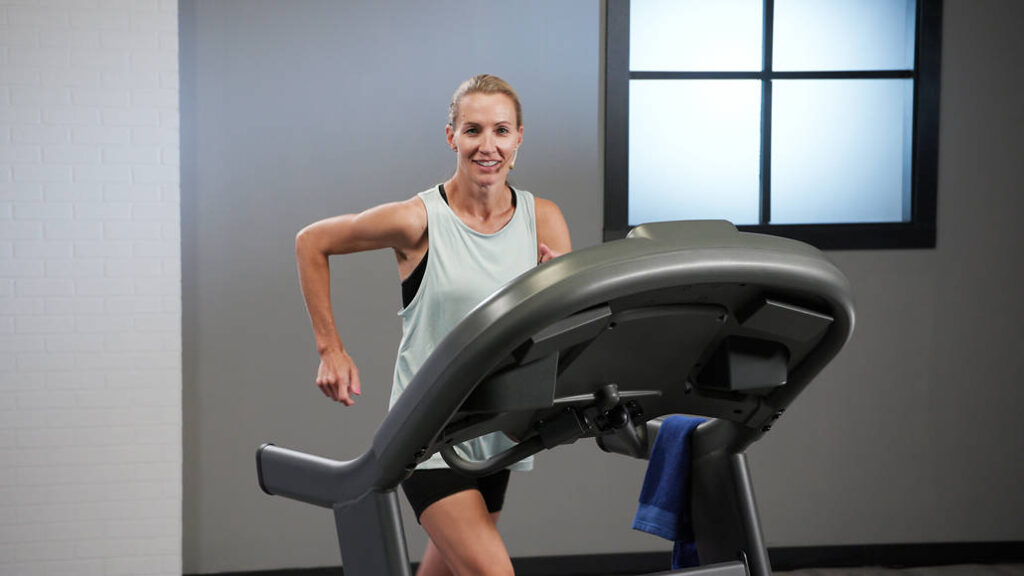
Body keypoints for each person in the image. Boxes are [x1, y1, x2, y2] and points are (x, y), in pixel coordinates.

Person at [294, 74, 572, 576]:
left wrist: (555, 288)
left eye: (501, 131)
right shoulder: (418, 221)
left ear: (519, 138)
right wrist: (330, 348)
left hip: (498, 433)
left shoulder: (544, 220)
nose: (487, 146)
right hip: (428, 434)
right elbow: (311, 242)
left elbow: (561, 330)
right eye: (473, 130)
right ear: (452, 138)